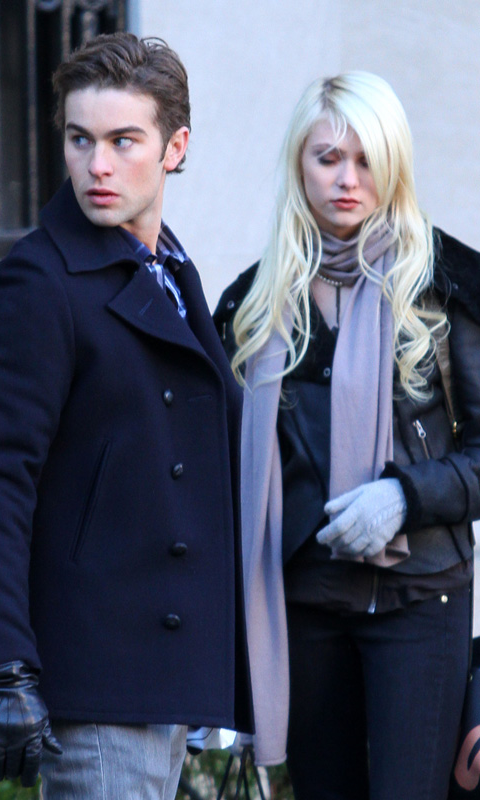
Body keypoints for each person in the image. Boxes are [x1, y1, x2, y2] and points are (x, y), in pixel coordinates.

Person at [0, 32, 252, 798]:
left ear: (175, 148)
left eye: (122, 141)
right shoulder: (37, 283)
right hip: (92, 680)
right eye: (80, 139)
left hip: (161, 681)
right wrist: (3, 664)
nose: (97, 165)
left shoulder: (169, 267)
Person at [214, 71, 480, 800]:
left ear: (394, 164)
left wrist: (406, 497)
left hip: (421, 599)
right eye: (328, 157)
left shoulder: (449, 287)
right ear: (299, 164)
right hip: (302, 607)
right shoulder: (251, 306)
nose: (347, 179)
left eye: (367, 159)